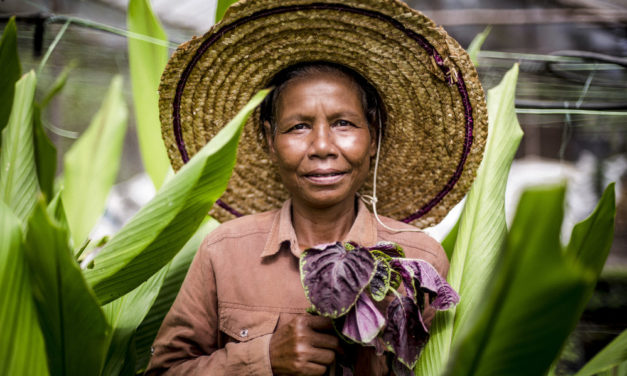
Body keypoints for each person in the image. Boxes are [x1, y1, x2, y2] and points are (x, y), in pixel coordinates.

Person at [147, 0, 488, 374]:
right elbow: (165, 369)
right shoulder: (224, 253)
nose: (323, 147)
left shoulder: (420, 260)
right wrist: (264, 358)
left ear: (373, 138)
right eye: (298, 127)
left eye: (344, 123)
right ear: (268, 140)